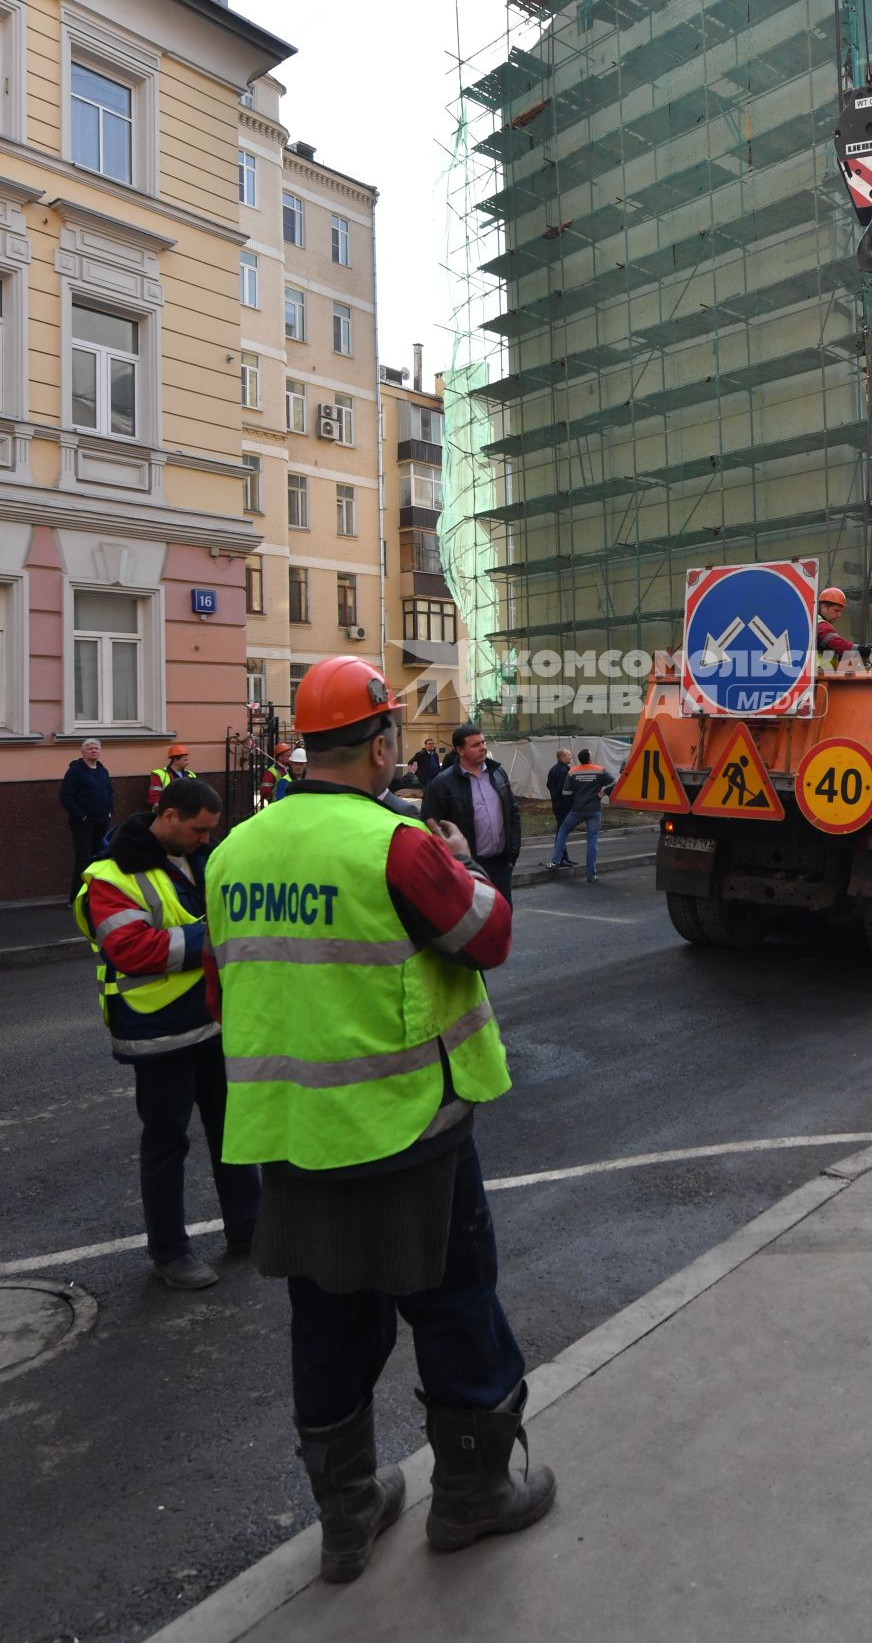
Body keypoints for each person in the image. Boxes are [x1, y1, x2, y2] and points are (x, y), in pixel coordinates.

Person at [203, 654, 554, 1583]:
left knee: (325, 1323)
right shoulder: (397, 845)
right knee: (453, 1310)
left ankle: (349, 1517)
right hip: (409, 1136)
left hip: (294, 1142)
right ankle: (473, 1499)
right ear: (382, 743)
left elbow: (222, 990)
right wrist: (457, 857)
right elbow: (492, 935)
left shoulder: (234, 853)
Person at [73, 777, 259, 1291]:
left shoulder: (202, 857)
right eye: (199, 829)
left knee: (233, 1134)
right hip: (158, 1032)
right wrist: (217, 935)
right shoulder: (111, 876)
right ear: (169, 814)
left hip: (213, 1021)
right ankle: (170, 1253)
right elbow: (133, 950)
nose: (206, 839)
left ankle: (249, 1229)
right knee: (165, 1144)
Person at [427, 724, 521, 907]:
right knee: (473, 920)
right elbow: (431, 825)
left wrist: (513, 853)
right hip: (467, 867)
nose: (483, 747)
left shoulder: (498, 773)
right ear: (460, 750)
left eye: (483, 742)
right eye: (475, 744)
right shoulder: (442, 783)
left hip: (501, 863)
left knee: (503, 914)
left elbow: (513, 811)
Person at [59, 738, 115, 905]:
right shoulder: (76, 771)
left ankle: (94, 895)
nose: (94, 750)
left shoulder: (102, 770)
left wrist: (109, 811)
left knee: (99, 858)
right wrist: (80, 816)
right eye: (90, 748)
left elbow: (110, 792)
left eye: (96, 748)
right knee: (83, 859)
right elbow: (65, 796)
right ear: (83, 752)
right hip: (84, 823)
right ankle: (77, 898)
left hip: (101, 820)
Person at [550, 748, 616, 882]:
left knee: (563, 831)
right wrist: (603, 793)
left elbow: (566, 793)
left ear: (579, 759)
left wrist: (573, 802)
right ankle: (591, 874)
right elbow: (614, 782)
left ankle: (555, 861)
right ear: (589, 758)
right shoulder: (599, 770)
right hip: (594, 810)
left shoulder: (572, 771)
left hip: (577, 810)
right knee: (592, 840)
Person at [545, 747, 576, 868]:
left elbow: (548, 785)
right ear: (562, 757)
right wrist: (571, 801)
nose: (571, 757)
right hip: (563, 805)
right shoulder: (564, 771)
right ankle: (561, 858)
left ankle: (564, 857)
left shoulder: (553, 769)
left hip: (556, 804)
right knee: (562, 832)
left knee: (562, 831)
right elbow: (564, 789)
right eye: (569, 755)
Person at [148, 742, 197, 810]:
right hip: (167, 813)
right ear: (176, 760)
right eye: (185, 760)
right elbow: (154, 797)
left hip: (186, 813)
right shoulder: (159, 774)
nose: (188, 762)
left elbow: (197, 794)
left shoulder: (191, 775)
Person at [815, 585, 855, 660]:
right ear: (824, 607)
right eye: (836, 611)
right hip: (817, 671)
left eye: (841, 611)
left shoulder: (815, 623)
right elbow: (841, 646)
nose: (839, 615)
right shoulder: (821, 625)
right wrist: (869, 651)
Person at [260, 742, 293, 809]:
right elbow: (264, 791)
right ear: (280, 757)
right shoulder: (271, 771)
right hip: (276, 806)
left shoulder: (288, 769)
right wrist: (272, 799)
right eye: (288, 756)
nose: (290, 758)